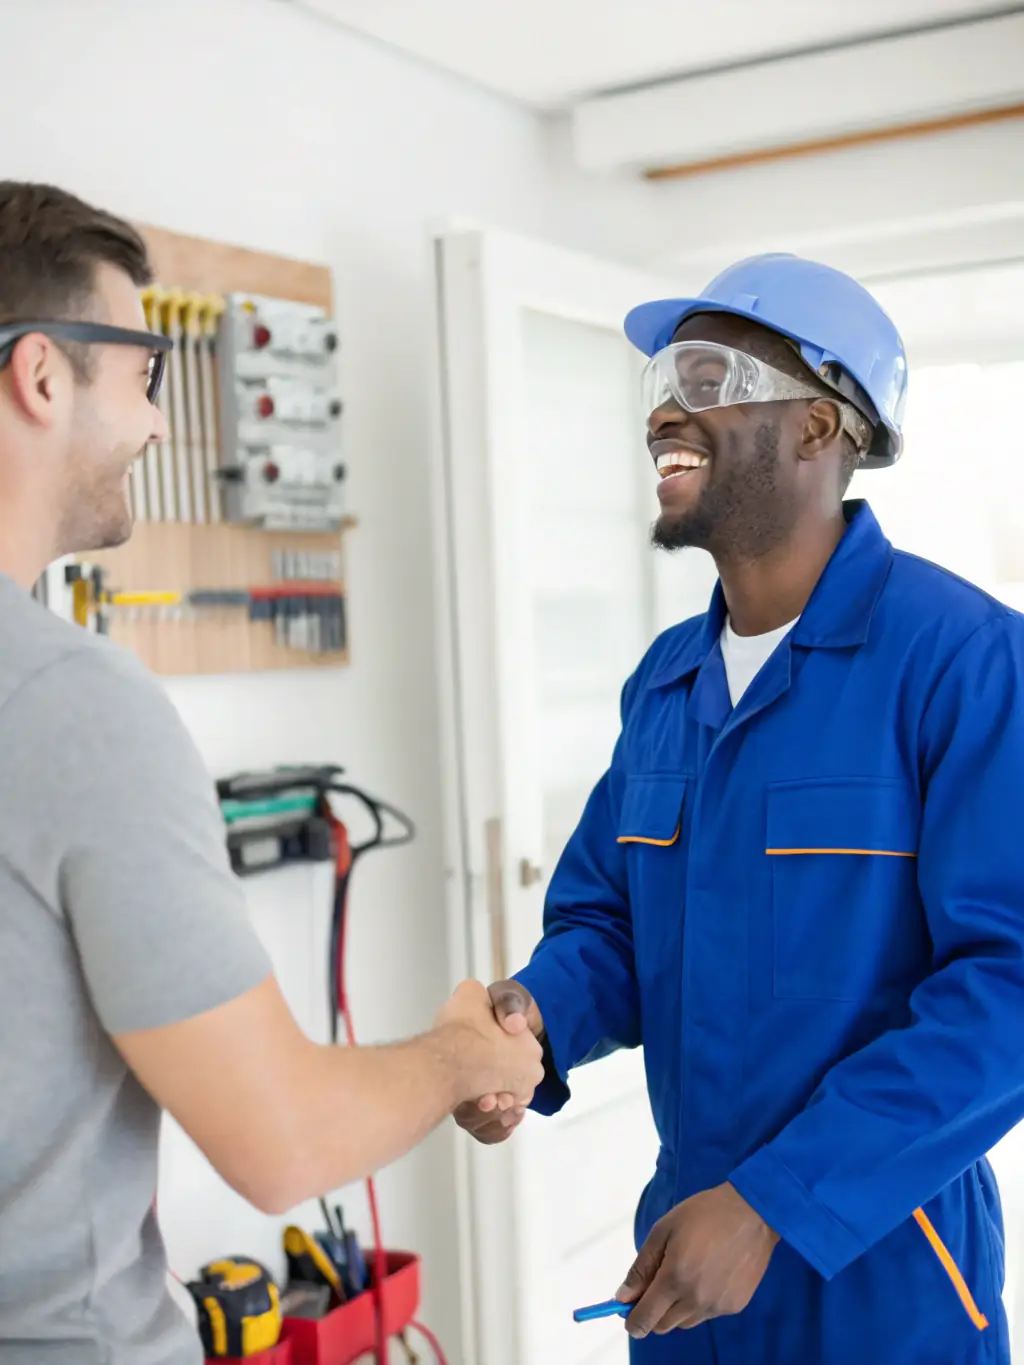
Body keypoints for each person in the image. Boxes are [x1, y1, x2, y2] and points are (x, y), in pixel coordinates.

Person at [0, 180, 543, 1365]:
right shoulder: (67, 702)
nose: (155, 422)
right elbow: (282, 1142)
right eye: (143, 372)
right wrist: (466, 1052)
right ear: (40, 376)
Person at [455, 252, 1024, 1363]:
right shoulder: (665, 681)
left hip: (881, 1271)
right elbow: (606, 925)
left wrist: (773, 1204)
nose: (665, 407)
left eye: (709, 378)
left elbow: (1006, 986)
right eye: (664, 381)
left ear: (821, 425)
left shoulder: (962, 662)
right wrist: (531, 1025)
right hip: (686, 1266)